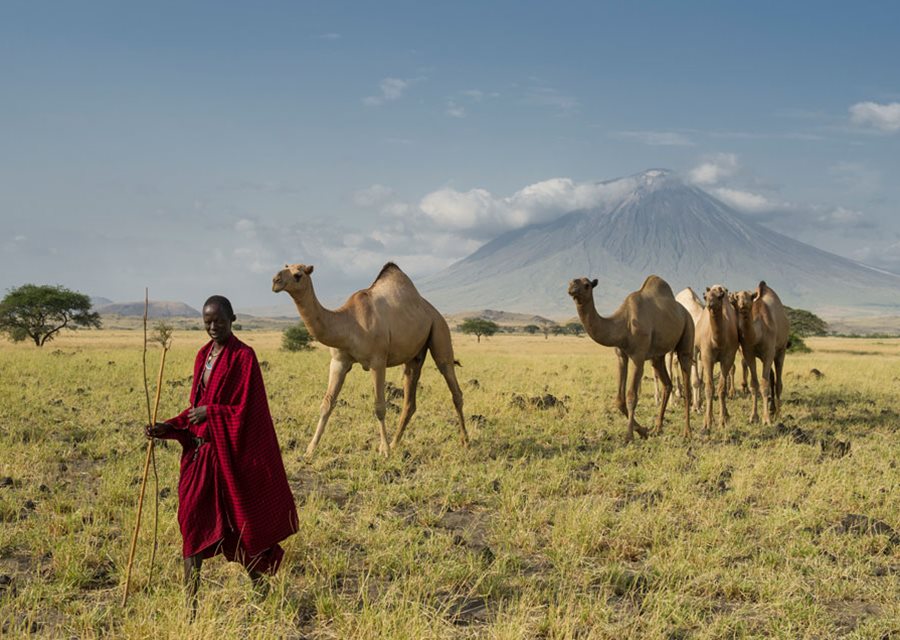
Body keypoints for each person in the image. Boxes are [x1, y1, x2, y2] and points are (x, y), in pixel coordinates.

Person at [146, 295, 297, 616]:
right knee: (191, 527)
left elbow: (247, 413)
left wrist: (212, 413)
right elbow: (194, 410)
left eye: (219, 321)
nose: (213, 327)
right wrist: (168, 428)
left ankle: (261, 588)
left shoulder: (243, 357)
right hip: (199, 461)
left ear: (233, 319)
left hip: (227, 459)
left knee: (238, 529)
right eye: (207, 322)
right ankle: (191, 609)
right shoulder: (203, 355)